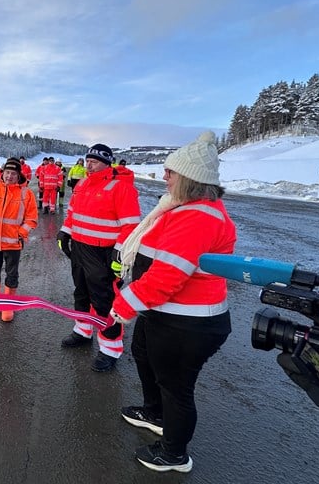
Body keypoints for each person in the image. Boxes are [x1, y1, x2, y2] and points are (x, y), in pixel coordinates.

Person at [110, 131, 236, 473]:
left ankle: (174, 454)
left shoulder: (199, 217)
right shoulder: (179, 208)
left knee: (176, 386)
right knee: (145, 356)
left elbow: (167, 276)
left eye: (171, 172)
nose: (164, 176)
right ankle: (155, 413)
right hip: (162, 313)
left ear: (192, 180)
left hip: (188, 323)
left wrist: (123, 305)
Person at [56, 143, 141, 372]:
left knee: (104, 300)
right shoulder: (82, 184)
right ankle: (83, 331)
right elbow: (73, 213)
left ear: (106, 162)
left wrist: (119, 251)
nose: (88, 164)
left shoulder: (121, 188)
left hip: (104, 252)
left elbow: (131, 225)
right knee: (81, 292)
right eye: (88, 160)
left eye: (94, 161)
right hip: (80, 249)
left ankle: (110, 349)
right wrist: (65, 232)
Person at [0, 157, 38, 322]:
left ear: (19, 176)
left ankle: (7, 305)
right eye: (7, 172)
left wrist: (20, 233)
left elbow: (32, 218)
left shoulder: (26, 194)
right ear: (2, 173)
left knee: (12, 275)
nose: (9, 176)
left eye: (13, 173)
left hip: (13, 244)